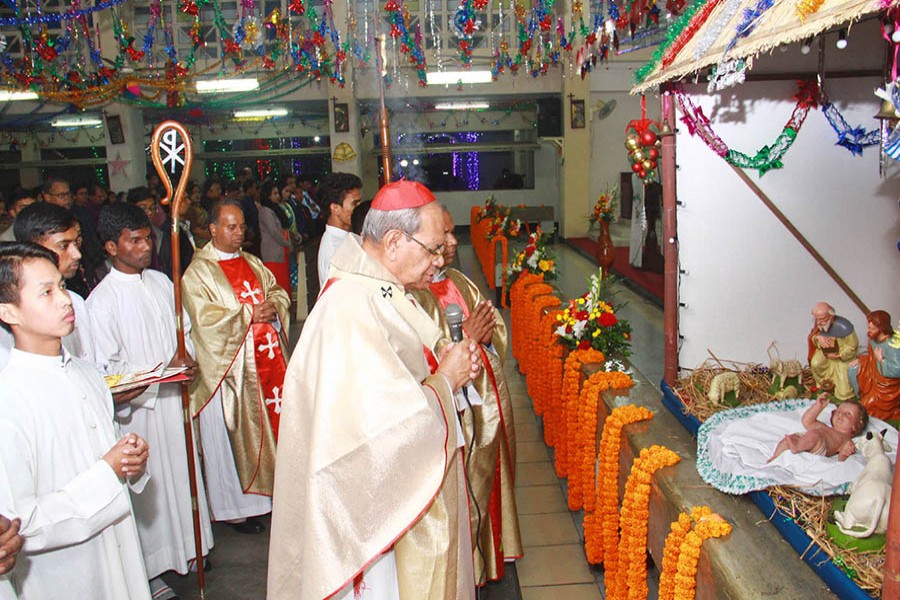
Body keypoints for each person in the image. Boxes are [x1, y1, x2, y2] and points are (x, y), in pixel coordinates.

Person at [269, 180, 480, 600]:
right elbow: (378, 433)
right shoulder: (351, 308)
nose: (438, 262)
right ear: (395, 241)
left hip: (380, 503)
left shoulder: (377, 288)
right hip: (364, 522)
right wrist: (446, 381)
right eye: (433, 248)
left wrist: (446, 363)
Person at [0, 242, 151, 599]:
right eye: (46, 293)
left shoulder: (86, 374)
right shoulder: (9, 399)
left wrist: (131, 460)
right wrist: (107, 472)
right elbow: (22, 522)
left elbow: (109, 454)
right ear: (9, 312)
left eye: (63, 287)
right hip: (63, 570)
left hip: (118, 548)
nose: (66, 300)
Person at [88, 204, 213, 600]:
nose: (146, 247)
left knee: (183, 476)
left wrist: (187, 356)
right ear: (111, 246)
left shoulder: (162, 282)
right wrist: (162, 372)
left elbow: (185, 329)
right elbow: (109, 373)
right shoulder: (101, 302)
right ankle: (152, 570)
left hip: (175, 404)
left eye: (148, 238)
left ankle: (190, 550)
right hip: (140, 415)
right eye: (135, 240)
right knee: (150, 494)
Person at [410, 204, 523, 584]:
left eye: (454, 234)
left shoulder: (459, 279)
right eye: (445, 237)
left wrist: (489, 337)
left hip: (486, 398)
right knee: (466, 485)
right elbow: (426, 363)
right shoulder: (413, 297)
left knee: (489, 480)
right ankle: (468, 567)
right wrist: (469, 338)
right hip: (452, 410)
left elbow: (493, 326)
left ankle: (492, 554)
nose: (454, 242)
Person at [182, 199, 289, 534]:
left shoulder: (253, 262)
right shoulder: (198, 272)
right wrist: (247, 315)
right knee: (229, 445)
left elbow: (277, 293)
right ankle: (235, 510)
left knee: (273, 430)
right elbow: (203, 320)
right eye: (231, 227)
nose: (239, 233)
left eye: (242, 226)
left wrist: (273, 305)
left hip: (268, 366)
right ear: (212, 229)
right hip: (231, 373)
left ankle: (270, 499)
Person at [10, 202, 96, 366]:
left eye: (77, 242)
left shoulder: (76, 300)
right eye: (64, 246)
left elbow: (90, 361)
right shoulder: (16, 313)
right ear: (34, 248)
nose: (77, 254)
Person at [769, 394, 867, 462]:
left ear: (856, 426)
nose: (841, 414)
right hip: (805, 440)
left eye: (848, 414)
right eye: (839, 411)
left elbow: (842, 457)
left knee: (815, 434)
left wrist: (845, 454)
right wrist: (818, 407)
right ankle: (775, 458)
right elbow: (807, 421)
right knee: (788, 439)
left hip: (820, 447)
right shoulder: (824, 427)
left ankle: (797, 446)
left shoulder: (846, 439)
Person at [849, 310, 900, 421]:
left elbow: (898, 370)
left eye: (871, 328)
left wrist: (881, 360)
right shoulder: (873, 338)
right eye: (868, 327)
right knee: (852, 369)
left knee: (865, 407)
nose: (868, 331)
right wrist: (862, 360)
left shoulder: (894, 345)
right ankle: (861, 396)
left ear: (881, 328)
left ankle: (882, 407)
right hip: (874, 373)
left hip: (887, 385)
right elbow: (872, 357)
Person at [317, 172, 362, 288]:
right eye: (355, 204)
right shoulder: (335, 249)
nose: (359, 209)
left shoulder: (349, 236)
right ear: (335, 208)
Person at [808, 302, 859, 400]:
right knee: (816, 363)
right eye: (817, 318)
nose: (819, 322)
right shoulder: (819, 324)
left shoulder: (845, 327)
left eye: (822, 318)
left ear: (831, 316)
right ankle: (824, 385)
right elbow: (813, 338)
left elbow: (852, 346)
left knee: (844, 394)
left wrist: (839, 355)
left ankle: (839, 388)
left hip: (842, 358)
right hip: (825, 353)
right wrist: (818, 338)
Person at [257, 180, 293, 297]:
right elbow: (274, 232)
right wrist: (287, 244)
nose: (278, 196)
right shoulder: (265, 212)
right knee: (277, 284)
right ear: (268, 195)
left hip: (280, 251)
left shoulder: (275, 209)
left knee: (284, 281)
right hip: (272, 253)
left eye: (278, 193)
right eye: (275, 194)